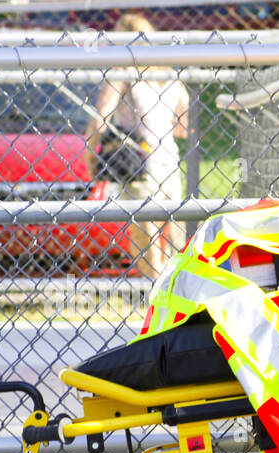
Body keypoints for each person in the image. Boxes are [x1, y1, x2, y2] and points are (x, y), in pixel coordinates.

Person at [83, 13, 190, 280]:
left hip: (140, 162)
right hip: (170, 160)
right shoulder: (169, 76)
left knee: (145, 241)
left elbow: (100, 119)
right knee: (173, 235)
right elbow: (185, 127)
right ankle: (179, 287)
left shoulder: (123, 73)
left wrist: (90, 155)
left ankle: (157, 295)